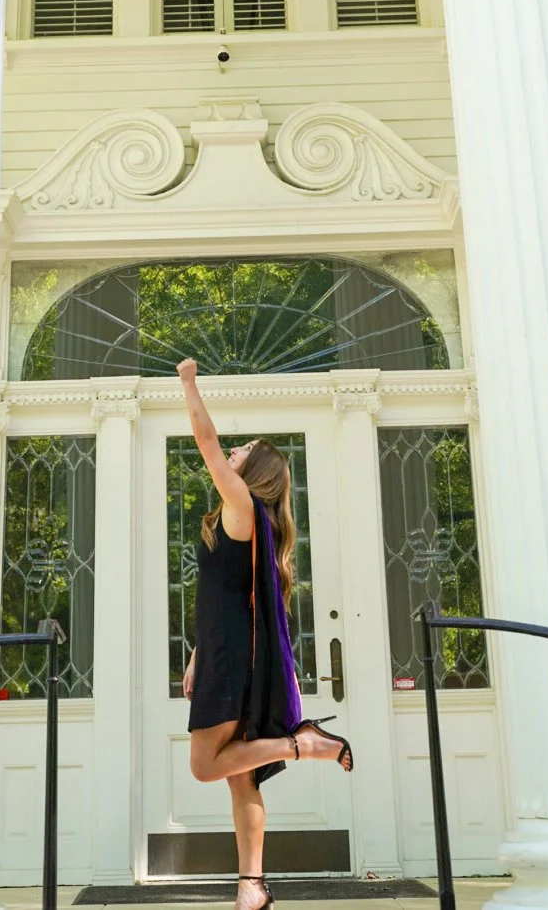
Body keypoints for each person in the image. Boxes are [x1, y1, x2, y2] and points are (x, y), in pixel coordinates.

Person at [177, 358, 353, 910]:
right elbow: (228, 601)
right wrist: (196, 655)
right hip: (225, 654)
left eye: (244, 450)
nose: (233, 450)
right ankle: (251, 887)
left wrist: (188, 383)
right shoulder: (249, 520)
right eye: (238, 447)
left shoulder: (242, 508)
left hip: (230, 663)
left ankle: (304, 745)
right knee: (241, 779)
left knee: (205, 766)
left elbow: (206, 441)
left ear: (256, 472)